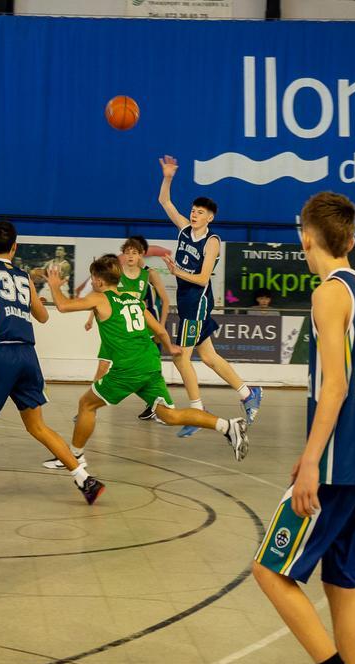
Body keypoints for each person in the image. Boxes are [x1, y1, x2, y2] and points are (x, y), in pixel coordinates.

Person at [252, 192, 355, 664]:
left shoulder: (328, 292)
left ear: (306, 239)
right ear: (349, 238)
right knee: (342, 583)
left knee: (269, 570)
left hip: (337, 457)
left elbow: (336, 385)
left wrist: (311, 460)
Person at [47, 255, 249, 464]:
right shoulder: (133, 300)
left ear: (98, 280)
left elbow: (62, 306)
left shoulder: (100, 298)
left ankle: (74, 457)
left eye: (93, 278)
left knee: (86, 404)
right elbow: (160, 330)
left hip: (128, 368)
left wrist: (54, 285)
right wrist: (170, 346)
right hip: (150, 363)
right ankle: (227, 426)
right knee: (169, 415)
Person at [0, 221, 106, 504]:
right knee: (37, 426)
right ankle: (84, 479)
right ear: (14, 247)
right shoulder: (24, 276)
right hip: (28, 355)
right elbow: (43, 317)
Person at [157, 155, 262, 437]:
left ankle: (197, 412)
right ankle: (248, 393)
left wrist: (177, 271)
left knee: (182, 358)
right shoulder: (183, 230)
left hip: (197, 301)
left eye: (200, 212)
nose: (194, 214)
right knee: (209, 357)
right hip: (186, 300)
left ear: (210, 217)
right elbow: (165, 202)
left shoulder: (212, 241)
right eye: (193, 210)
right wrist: (168, 177)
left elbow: (203, 278)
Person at [84, 236, 172, 424]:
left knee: (148, 367)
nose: (130, 256)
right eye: (127, 252)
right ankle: (91, 406)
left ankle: (155, 404)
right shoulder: (117, 275)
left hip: (138, 328)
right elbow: (101, 299)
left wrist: (161, 326)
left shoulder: (149, 274)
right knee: (103, 365)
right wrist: (91, 318)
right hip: (116, 328)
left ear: (142, 255)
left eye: (134, 252)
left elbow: (165, 300)